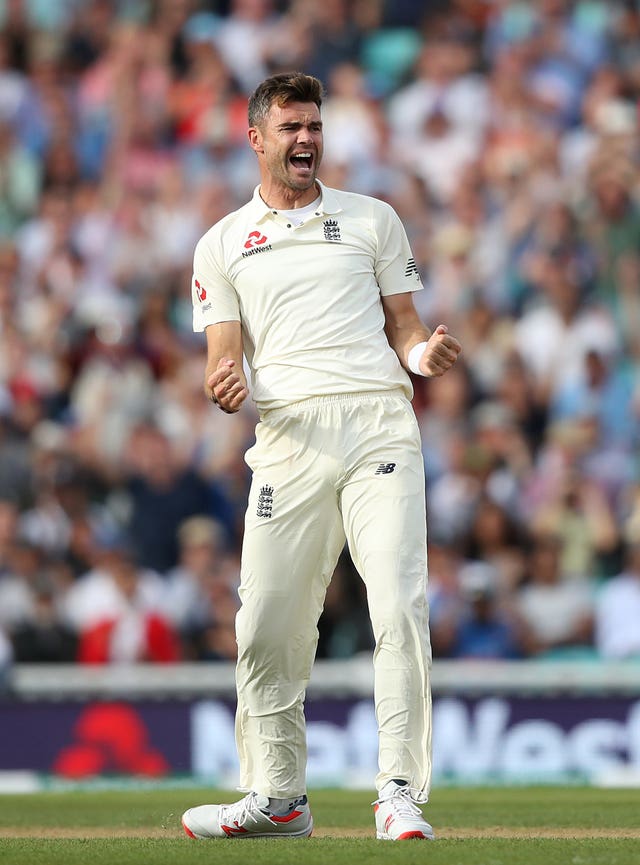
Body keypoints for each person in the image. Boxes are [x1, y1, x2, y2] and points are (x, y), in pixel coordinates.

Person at [181, 71, 461, 842]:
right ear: (257, 138)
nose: (306, 140)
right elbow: (223, 360)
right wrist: (223, 384)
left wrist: (421, 355)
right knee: (266, 623)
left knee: (398, 602)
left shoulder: (372, 220)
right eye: (291, 128)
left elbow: (405, 327)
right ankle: (279, 796)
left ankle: (398, 790)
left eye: (314, 127)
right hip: (288, 440)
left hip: (378, 426)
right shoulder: (222, 243)